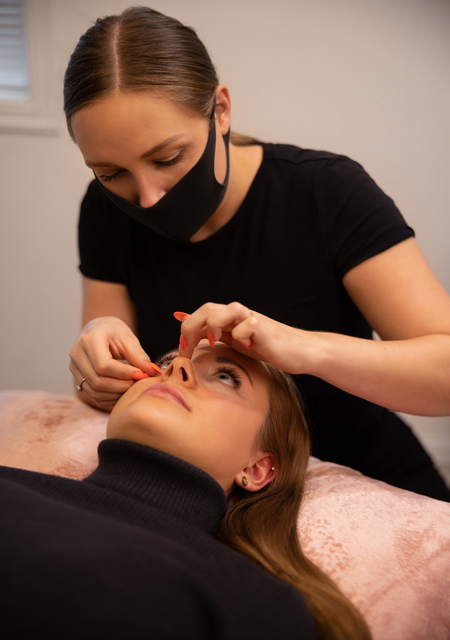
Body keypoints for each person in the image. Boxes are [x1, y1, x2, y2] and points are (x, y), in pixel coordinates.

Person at [65, 6, 450, 500]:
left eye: (167, 158)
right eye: (111, 173)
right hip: (210, 490)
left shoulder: (326, 193)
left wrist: (305, 348)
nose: (148, 197)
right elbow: (112, 392)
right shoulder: (104, 212)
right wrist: (95, 360)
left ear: (220, 110)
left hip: (368, 477)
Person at [0, 342, 371, 640]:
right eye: (165, 362)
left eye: (227, 377)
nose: (178, 368)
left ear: (257, 469)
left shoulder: (256, 603)